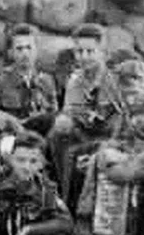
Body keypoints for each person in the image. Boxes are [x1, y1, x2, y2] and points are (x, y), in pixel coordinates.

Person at [47, 23, 124, 188]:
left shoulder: (113, 80)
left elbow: (120, 120)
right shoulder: (75, 81)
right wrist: (65, 120)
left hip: (108, 137)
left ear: (102, 53)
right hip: (82, 135)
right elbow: (69, 112)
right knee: (56, 132)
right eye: (79, 51)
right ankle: (60, 188)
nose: (84, 56)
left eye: (90, 51)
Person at [0, 23, 58, 135]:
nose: (25, 53)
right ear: (10, 53)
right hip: (10, 138)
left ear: (36, 50)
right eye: (19, 49)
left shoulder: (46, 81)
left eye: (29, 47)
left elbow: (54, 119)